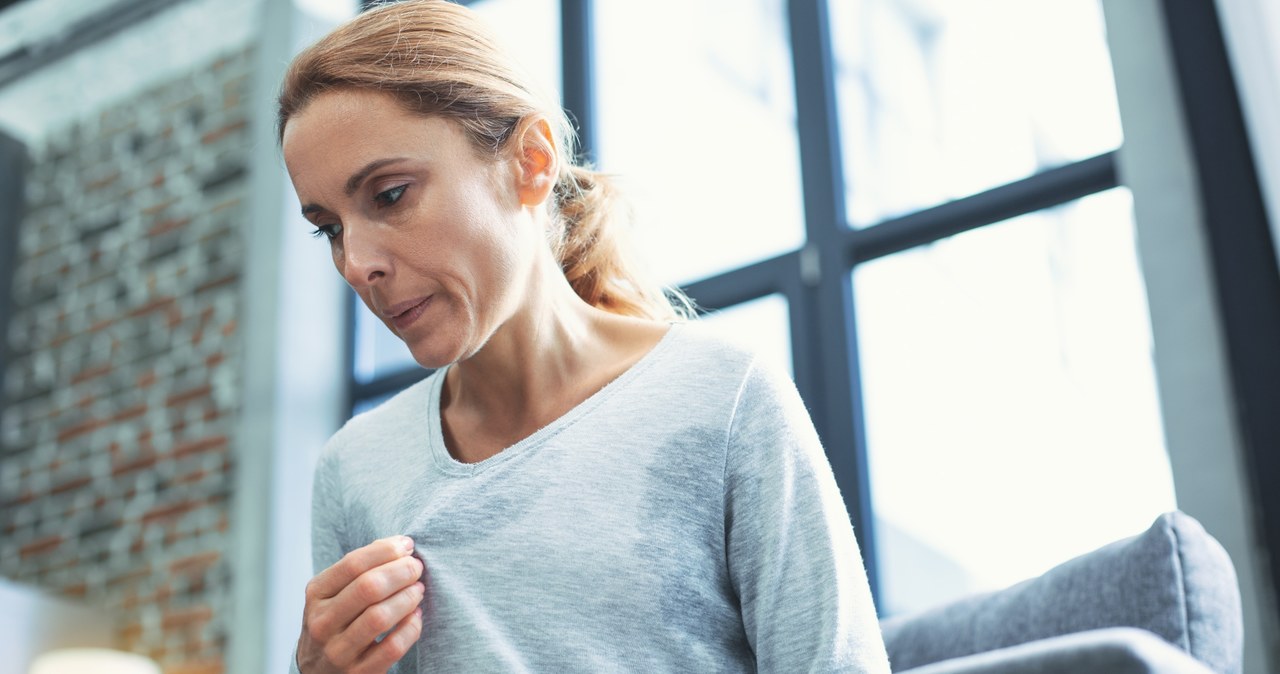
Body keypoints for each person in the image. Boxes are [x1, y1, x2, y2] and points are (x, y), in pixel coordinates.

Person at [278, 1, 889, 672]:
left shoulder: (723, 397)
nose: (356, 261)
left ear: (531, 162)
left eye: (389, 196)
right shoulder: (355, 470)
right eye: (329, 227)